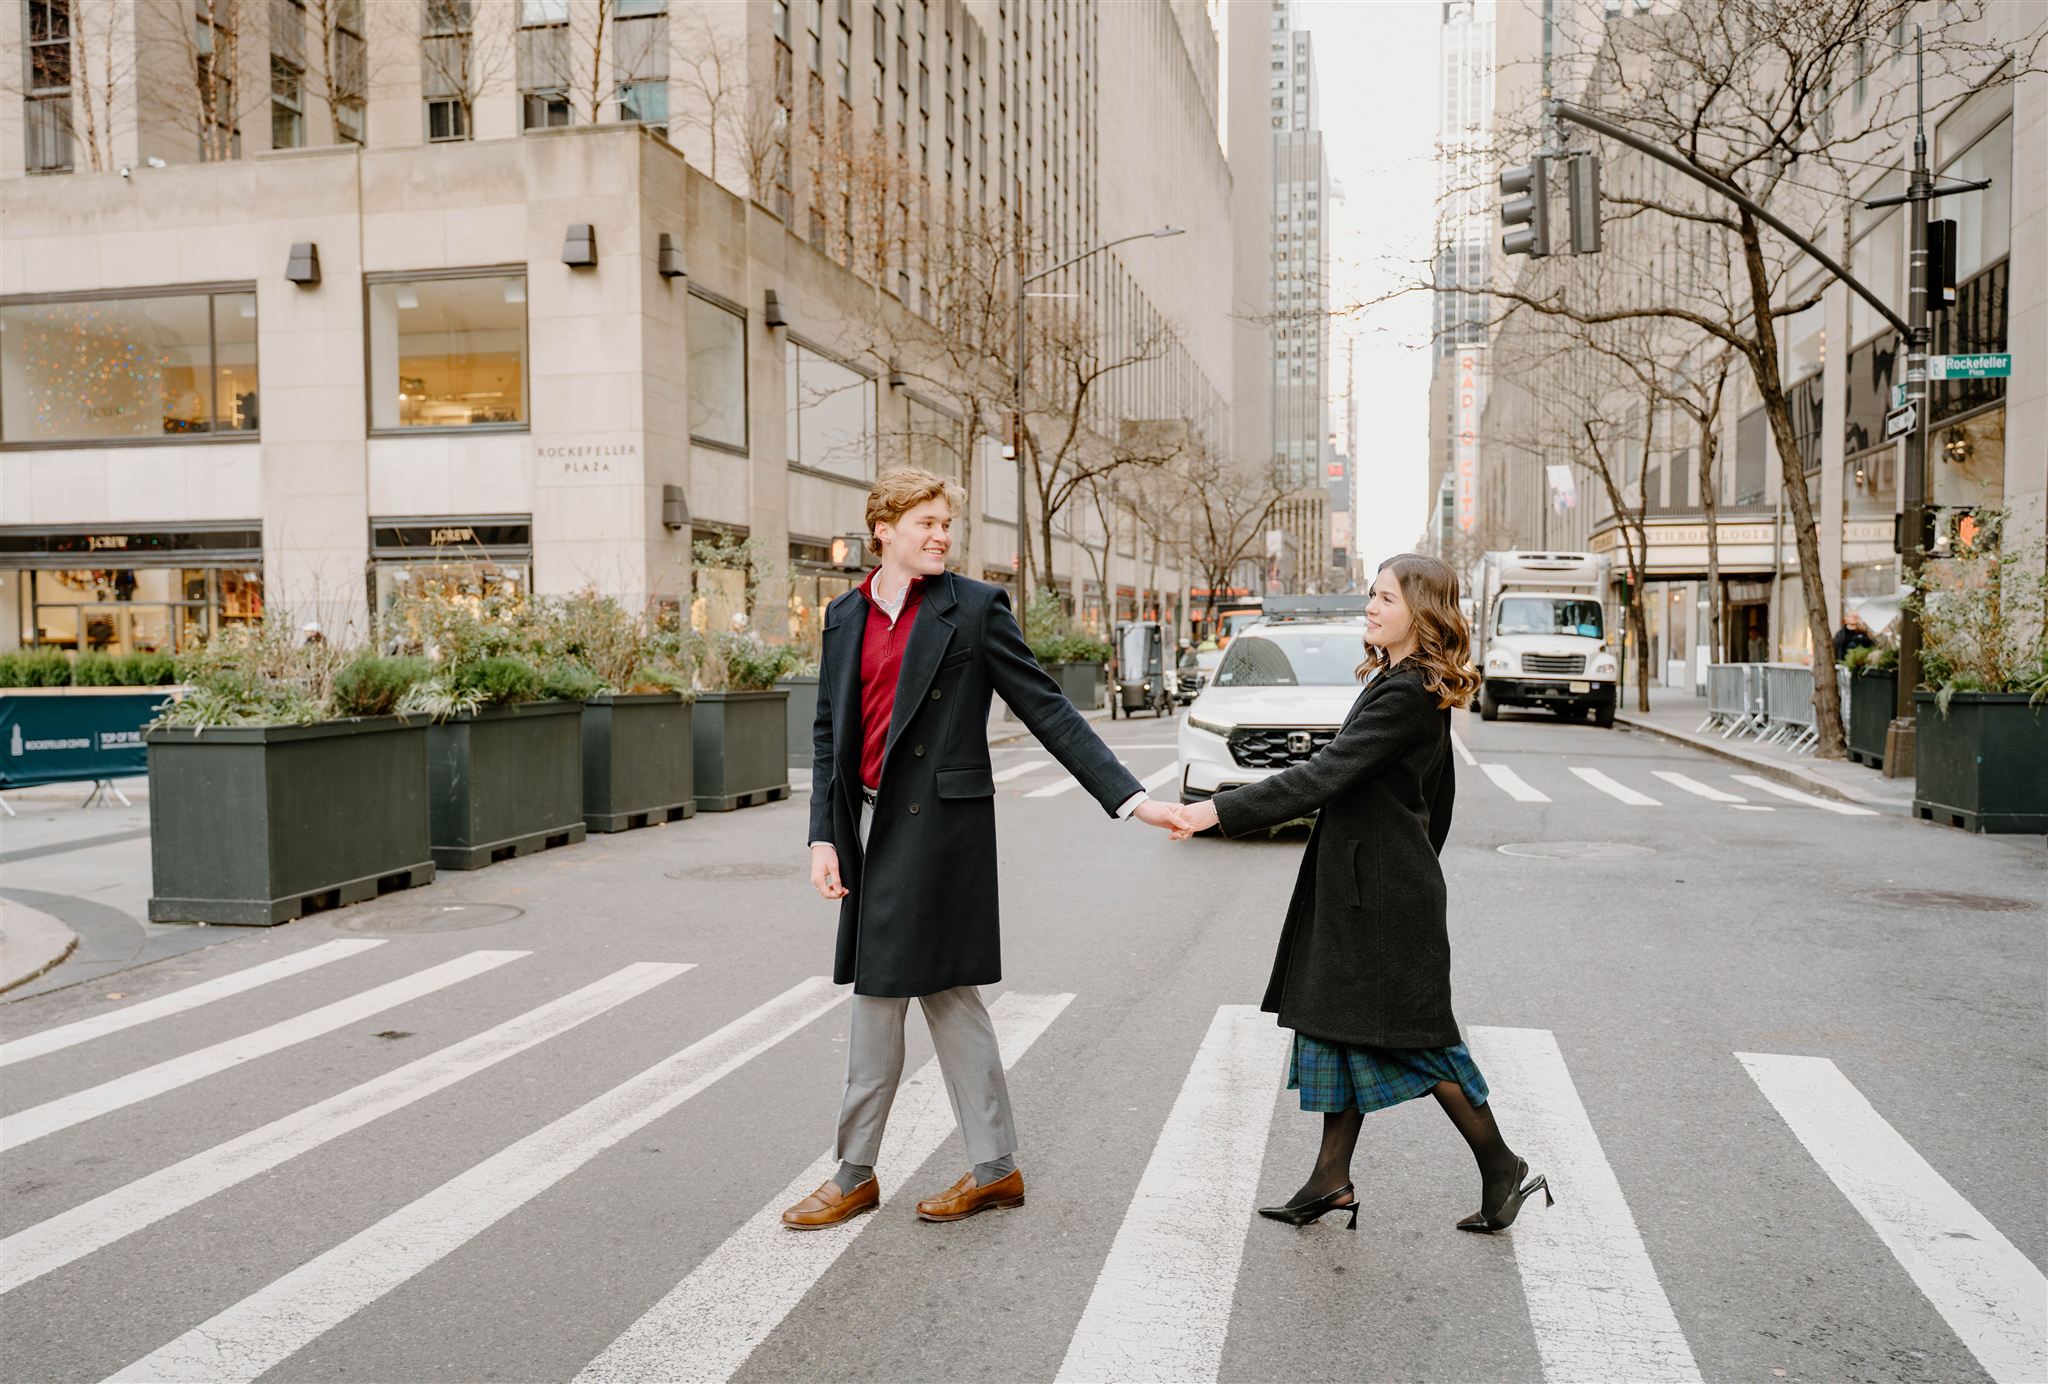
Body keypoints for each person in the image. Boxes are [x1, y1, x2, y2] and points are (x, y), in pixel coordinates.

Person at [785, 467, 1187, 1231]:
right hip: (870, 829)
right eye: (926, 523)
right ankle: (995, 1168)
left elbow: (1046, 708)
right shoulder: (843, 616)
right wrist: (823, 837)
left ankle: (853, 1173)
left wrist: (1133, 799)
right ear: (884, 529)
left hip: (939, 833)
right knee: (947, 994)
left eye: (945, 524)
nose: (940, 535)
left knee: (881, 993)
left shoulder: (972, 609)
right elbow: (830, 735)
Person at [1172, 554, 1553, 1235]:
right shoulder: (1400, 681)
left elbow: (1326, 774)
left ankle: (1502, 1165)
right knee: (1334, 1023)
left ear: (1422, 611)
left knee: (1412, 1036)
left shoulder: (1408, 693)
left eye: (1385, 598)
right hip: (1370, 883)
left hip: (1380, 893)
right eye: (1371, 596)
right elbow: (1434, 803)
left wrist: (1217, 810)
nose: (1371, 607)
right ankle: (1330, 1178)